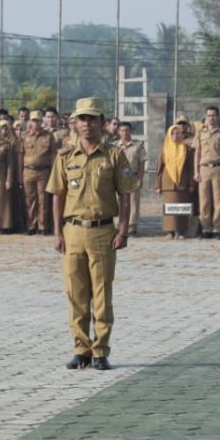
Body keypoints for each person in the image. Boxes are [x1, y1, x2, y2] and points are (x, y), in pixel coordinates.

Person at [47, 97, 132, 371]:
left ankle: (101, 350)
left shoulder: (114, 156)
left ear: (101, 122)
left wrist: (123, 229)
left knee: (101, 293)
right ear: (75, 123)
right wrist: (57, 232)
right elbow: (57, 195)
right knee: (75, 292)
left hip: (102, 231)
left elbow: (126, 194)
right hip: (73, 231)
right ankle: (81, 349)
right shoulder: (66, 157)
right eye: (81, 119)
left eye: (92, 119)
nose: (86, 124)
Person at [18, 110, 58, 236]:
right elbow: (20, 155)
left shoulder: (48, 136)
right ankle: (31, 225)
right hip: (28, 171)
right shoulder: (24, 136)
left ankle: (42, 226)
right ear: (30, 121)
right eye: (34, 120)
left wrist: (53, 173)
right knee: (29, 200)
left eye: (38, 121)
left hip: (44, 171)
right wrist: (20, 173)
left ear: (42, 121)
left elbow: (53, 155)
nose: (36, 123)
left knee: (43, 200)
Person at [193, 105, 220, 238]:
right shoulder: (200, 132)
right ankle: (206, 229)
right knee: (204, 201)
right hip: (203, 169)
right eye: (209, 115)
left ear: (218, 117)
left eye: (214, 115)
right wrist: (196, 171)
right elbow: (197, 152)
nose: (211, 118)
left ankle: (217, 229)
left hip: (218, 168)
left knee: (219, 201)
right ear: (205, 116)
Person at [156, 120, 195, 240]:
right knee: (169, 208)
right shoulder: (164, 149)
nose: (175, 136)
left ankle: (182, 230)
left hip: (183, 182)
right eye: (172, 133)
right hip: (168, 183)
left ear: (181, 135)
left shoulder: (187, 149)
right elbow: (160, 168)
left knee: (182, 207)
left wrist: (191, 183)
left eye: (177, 133)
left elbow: (191, 168)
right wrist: (158, 185)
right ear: (169, 135)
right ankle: (170, 231)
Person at [114, 122, 147, 236]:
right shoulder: (114, 146)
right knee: (118, 201)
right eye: (122, 130)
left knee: (133, 201)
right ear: (119, 132)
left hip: (133, 176)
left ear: (131, 131)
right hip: (118, 177)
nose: (125, 133)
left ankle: (132, 225)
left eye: (127, 130)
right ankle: (118, 224)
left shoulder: (138, 145)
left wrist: (140, 178)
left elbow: (142, 162)